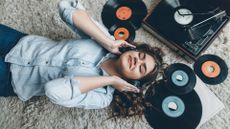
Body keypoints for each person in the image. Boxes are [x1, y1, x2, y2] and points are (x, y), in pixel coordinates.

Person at [0, 0, 163, 115]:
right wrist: (108, 41)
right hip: (20, 44)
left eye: (141, 68)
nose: (137, 61)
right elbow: (66, 6)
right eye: (141, 56)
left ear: (132, 83)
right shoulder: (106, 42)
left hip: (12, 80)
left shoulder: (102, 97)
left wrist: (110, 80)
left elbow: (52, 90)